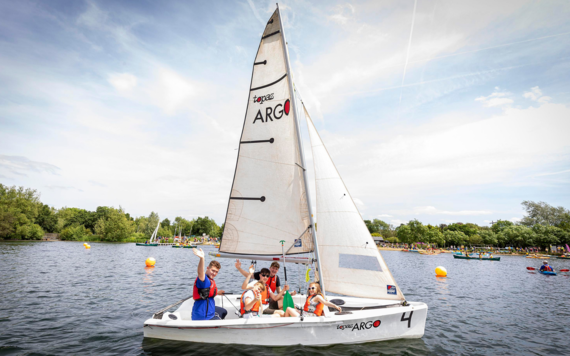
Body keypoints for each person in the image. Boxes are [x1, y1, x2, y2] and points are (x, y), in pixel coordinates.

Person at [191, 248, 227, 320]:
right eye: (213, 270)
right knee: (221, 321)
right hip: (203, 317)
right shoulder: (204, 280)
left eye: (216, 272)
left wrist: (218, 292)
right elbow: (200, 273)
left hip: (209, 312)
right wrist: (202, 258)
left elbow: (207, 292)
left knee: (223, 311)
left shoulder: (211, 280)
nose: (214, 273)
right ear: (207, 268)